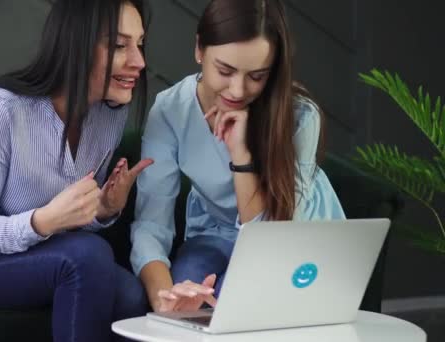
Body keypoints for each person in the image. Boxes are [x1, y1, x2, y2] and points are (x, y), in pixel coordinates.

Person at [0, 0, 153, 341]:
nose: (139, 62)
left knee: (130, 294)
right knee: (87, 257)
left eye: (140, 44)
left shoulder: (110, 114)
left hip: (38, 251)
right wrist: (43, 220)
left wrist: (103, 209)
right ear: (76, 44)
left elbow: (69, 218)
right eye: (119, 45)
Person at [130, 0, 346, 313]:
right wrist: (165, 304)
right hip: (215, 233)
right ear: (199, 50)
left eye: (257, 76)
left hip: (290, 239)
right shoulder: (170, 110)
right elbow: (152, 224)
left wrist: (241, 155)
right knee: (186, 292)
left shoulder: (300, 116)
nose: (238, 90)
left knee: (237, 304)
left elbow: (270, 240)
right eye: (225, 70)